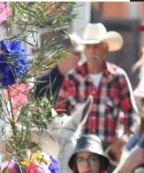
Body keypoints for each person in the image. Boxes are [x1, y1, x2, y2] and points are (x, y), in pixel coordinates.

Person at [55, 23, 137, 164]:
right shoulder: (72, 78)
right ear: (84, 50)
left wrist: (123, 139)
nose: (92, 51)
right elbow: (59, 114)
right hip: (78, 152)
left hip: (109, 152)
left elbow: (131, 116)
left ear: (106, 49)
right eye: (88, 47)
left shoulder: (118, 77)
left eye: (96, 46)